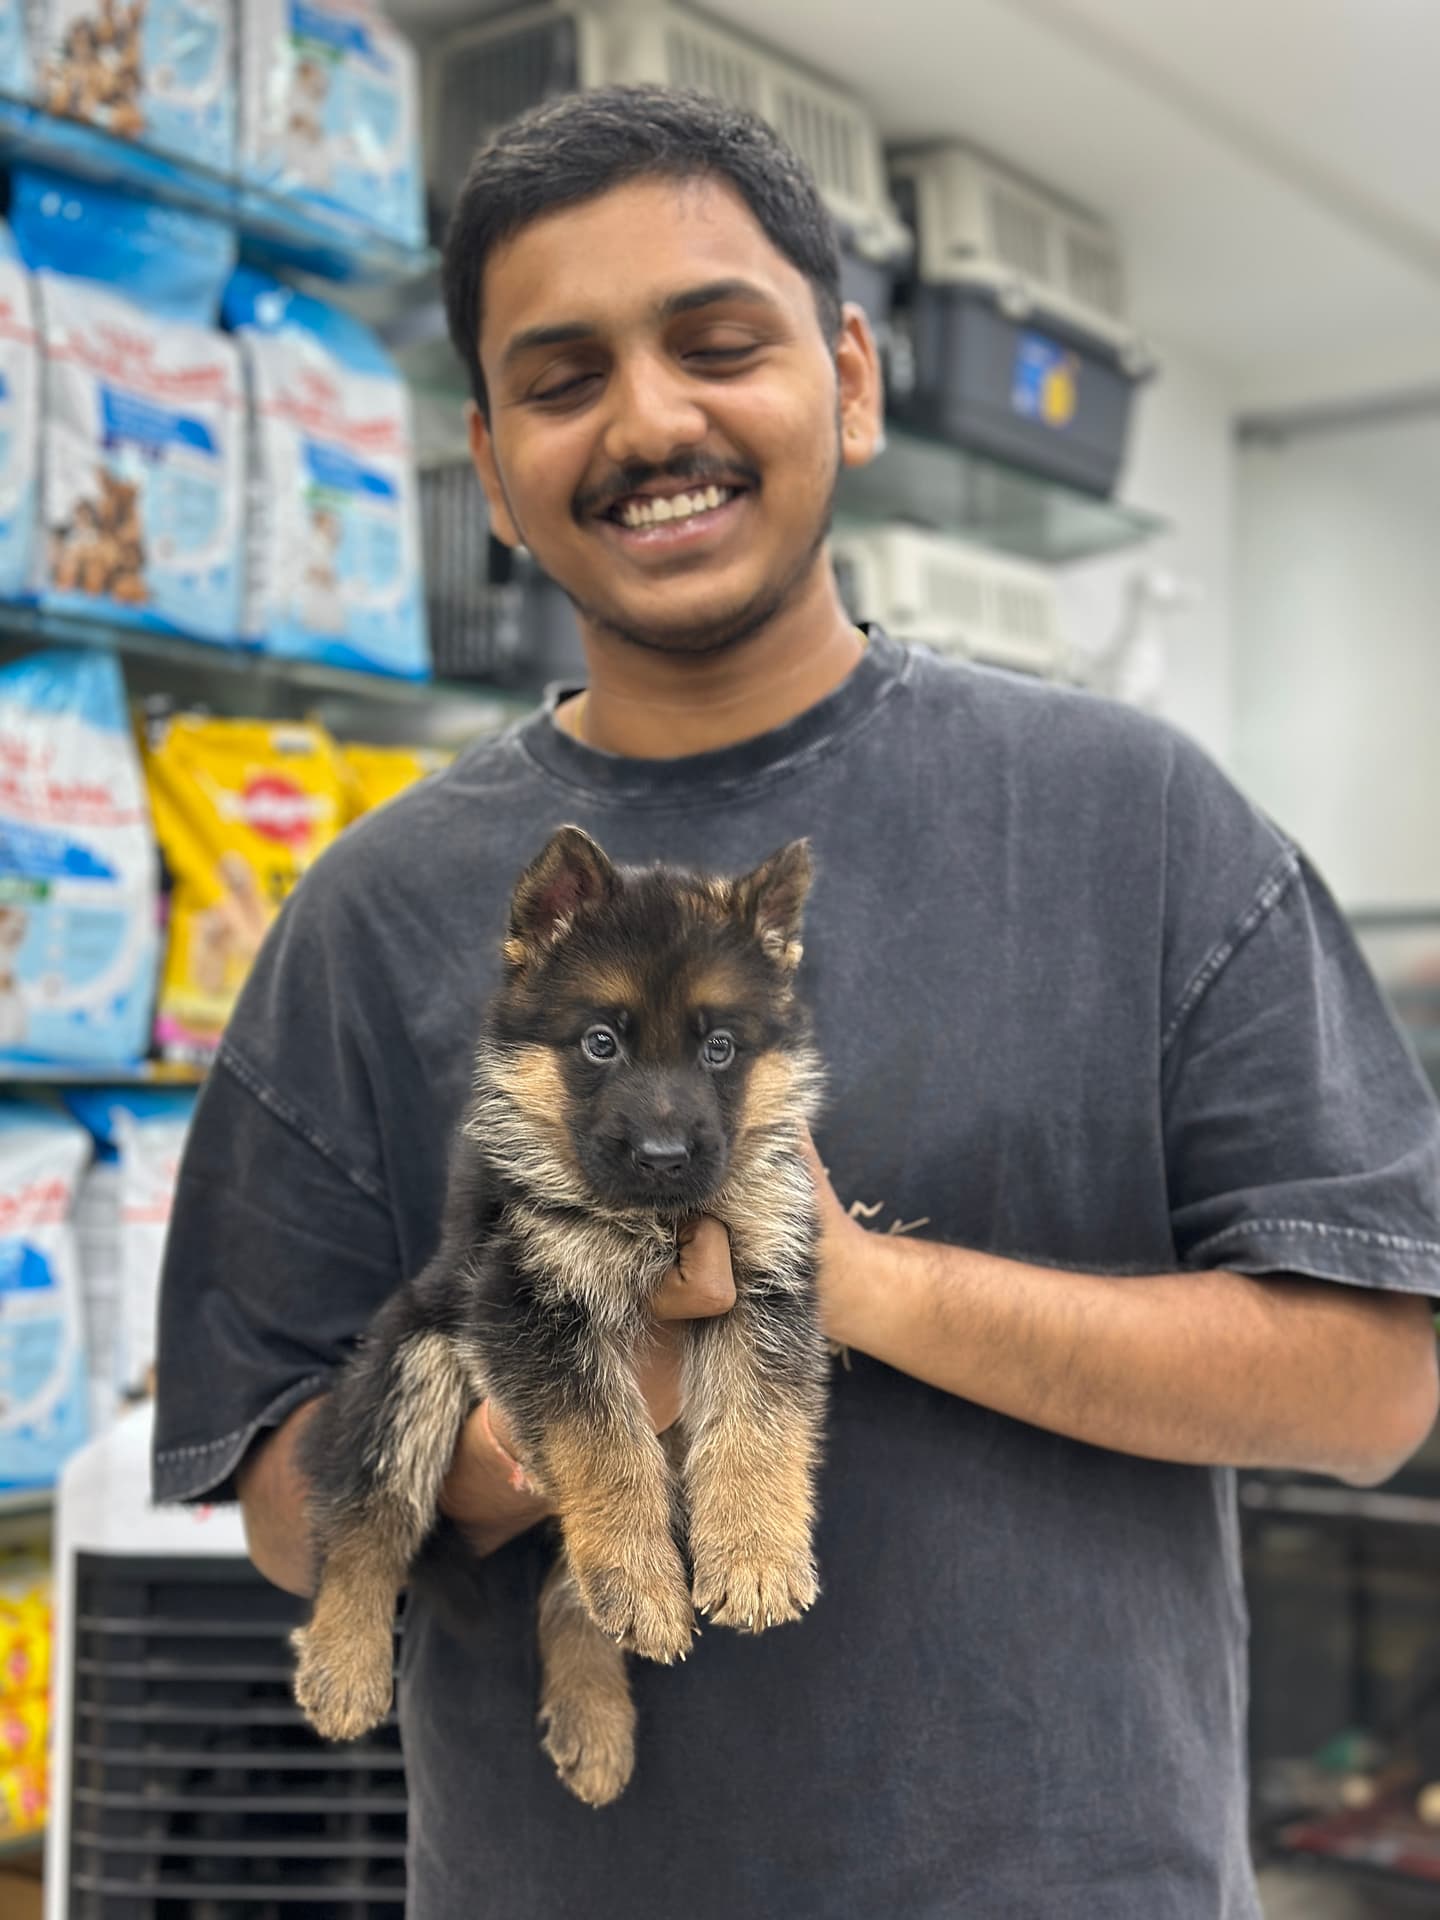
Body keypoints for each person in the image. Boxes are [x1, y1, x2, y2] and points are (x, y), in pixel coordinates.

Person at [152, 85, 1440, 1919]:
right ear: (497, 466)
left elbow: (1378, 1384)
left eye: (715, 341)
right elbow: (282, 1502)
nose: (651, 420)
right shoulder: (373, 913)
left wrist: (857, 1285)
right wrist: (554, 1411)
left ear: (850, 373)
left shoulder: (1132, 825)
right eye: (563, 375)